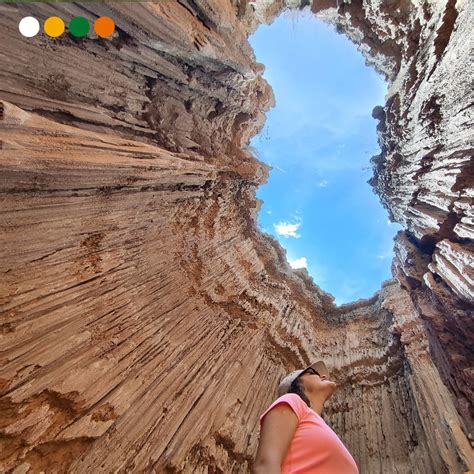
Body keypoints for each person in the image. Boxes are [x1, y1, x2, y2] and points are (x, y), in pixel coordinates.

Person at [253, 360, 359, 474]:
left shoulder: (316, 423)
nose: (323, 376)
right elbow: (265, 465)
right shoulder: (292, 400)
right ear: (298, 383)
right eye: (313, 372)